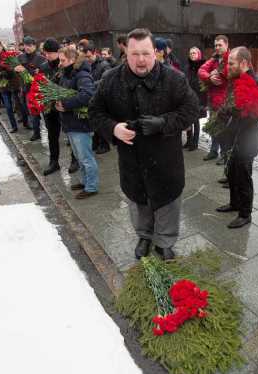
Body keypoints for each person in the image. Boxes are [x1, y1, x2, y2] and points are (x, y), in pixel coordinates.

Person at [89, 28, 199, 260]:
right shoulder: (110, 79)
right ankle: (144, 236)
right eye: (135, 53)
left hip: (166, 159)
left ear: (156, 53)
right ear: (125, 53)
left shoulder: (174, 79)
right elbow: (95, 111)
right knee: (138, 202)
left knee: (168, 202)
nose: (141, 60)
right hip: (132, 161)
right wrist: (113, 129)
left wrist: (163, 123)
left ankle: (165, 241)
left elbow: (191, 111)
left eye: (146, 53)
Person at [214, 47, 258, 229]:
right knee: (232, 173)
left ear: (243, 63)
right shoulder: (236, 81)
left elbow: (257, 116)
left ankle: (245, 213)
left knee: (243, 177)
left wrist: (235, 112)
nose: (228, 66)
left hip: (246, 141)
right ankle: (234, 204)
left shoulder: (255, 83)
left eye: (231, 63)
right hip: (233, 138)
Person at [55, 47, 99, 199]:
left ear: (72, 60)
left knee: (86, 157)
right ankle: (85, 181)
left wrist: (66, 104)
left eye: (63, 60)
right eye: (60, 60)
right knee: (79, 156)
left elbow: (87, 94)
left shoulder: (81, 74)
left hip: (80, 123)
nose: (60, 63)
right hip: (71, 122)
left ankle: (92, 186)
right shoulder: (66, 73)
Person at [0, 38, 30, 133]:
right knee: (8, 107)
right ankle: (13, 126)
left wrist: (12, 68)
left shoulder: (9, 54)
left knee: (21, 104)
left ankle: (26, 123)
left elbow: (17, 65)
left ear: (1, 46)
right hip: (3, 84)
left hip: (14, 82)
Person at [199, 35, 230, 164]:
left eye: (219, 45)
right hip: (212, 100)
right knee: (213, 127)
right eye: (215, 45)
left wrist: (213, 75)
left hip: (224, 101)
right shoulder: (214, 58)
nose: (217, 47)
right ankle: (213, 151)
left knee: (223, 130)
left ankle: (224, 155)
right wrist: (209, 77)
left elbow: (224, 76)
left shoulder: (231, 58)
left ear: (227, 45)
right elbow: (201, 70)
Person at [81, 40, 112, 154]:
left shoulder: (104, 65)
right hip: (92, 96)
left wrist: (90, 85)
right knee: (93, 121)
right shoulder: (87, 65)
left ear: (94, 53)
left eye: (88, 56)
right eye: (85, 57)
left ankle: (104, 144)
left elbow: (106, 80)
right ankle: (96, 142)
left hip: (102, 97)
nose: (87, 59)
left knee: (101, 122)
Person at [39, 38, 64, 176]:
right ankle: (54, 162)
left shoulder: (63, 64)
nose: (48, 56)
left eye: (51, 53)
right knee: (52, 136)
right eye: (46, 53)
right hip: (49, 106)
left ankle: (74, 160)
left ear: (58, 52)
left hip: (63, 105)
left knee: (69, 134)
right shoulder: (43, 67)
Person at [16, 36, 47, 141]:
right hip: (27, 89)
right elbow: (17, 73)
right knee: (32, 113)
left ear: (34, 46)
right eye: (25, 45)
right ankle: (36, 132)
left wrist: (28, 72)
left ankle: (49, 130)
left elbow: (43, 73)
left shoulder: (41, 58)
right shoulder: (20, 57)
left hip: (39, 89)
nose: (27, 47)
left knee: (44, 112)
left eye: (30, 45)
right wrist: (16, 70)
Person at [184, 46, 207, 151]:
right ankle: (189, 141)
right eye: (191, 53)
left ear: (199, 55)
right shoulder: (188, 67)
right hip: (188, 98)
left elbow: (204, 85)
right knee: (188, 119)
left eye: (194, 53)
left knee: (195, 120)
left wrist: (203, 102)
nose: (192, 55)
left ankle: (195, 142)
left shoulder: (203, 67)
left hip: (198, 98)